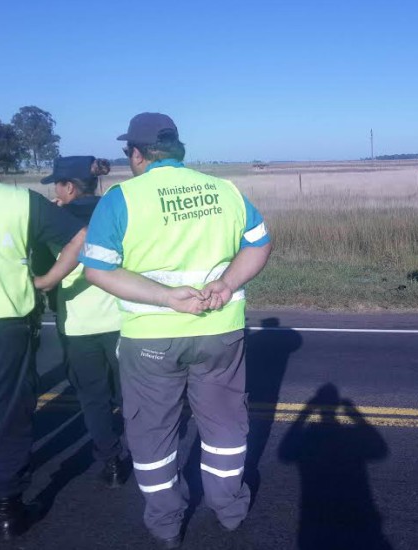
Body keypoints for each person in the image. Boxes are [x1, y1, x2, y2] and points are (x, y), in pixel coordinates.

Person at [80, 113, 272, 548]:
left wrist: (167, 298)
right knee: (225, 424)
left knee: (153, 432)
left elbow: (98, 269)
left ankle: (167, 523)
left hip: (150, 337)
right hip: (220, 330)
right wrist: (226, 284)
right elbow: (259, 243)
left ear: (137, 153)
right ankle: (229, 510)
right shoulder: (224, 190)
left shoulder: (122, 197)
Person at [0, 136, 87, 539]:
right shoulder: (20, 201)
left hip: (8, 324)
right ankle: (8, 508)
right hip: (6, 323)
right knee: (7, 414)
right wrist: (45, 281)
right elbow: (79, 238)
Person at [39, 156, 129, 488]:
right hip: (121, 319)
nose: (55, 191)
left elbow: (43, 263)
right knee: (128, 393)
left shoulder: (53, 220)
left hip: (77, 325)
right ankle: (146, 453)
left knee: (93, 397)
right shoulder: (114, 211)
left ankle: (112, 462)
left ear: (70, 186)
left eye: (58, 185)